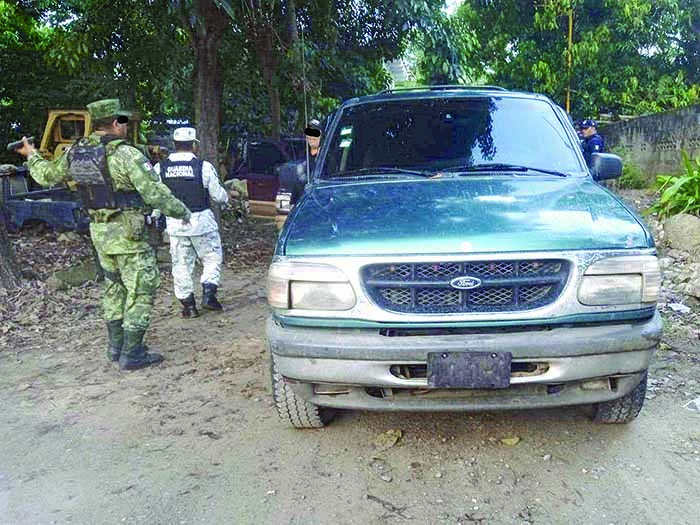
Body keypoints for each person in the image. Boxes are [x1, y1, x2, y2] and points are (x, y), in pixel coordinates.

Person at [15, 99, 192, 371]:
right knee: (141, 289)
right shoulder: (127, 155)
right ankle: (132, 353)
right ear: (115, 123)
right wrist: (183, 212)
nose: (125, 126)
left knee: (114, 287)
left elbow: (47, 175)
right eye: (123, 121)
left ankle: (115, 347)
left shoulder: (77, 152)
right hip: (129, 234)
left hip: (99, 234)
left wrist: (31, 154)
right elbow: (155, 193)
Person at [154, 127, 229, 318]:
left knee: (181, 264)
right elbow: (218, 196)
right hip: (202, 222)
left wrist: (155, 216)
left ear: (174, 144)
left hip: (175, 224)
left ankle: (188, 306)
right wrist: (227, 197)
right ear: (194, 145)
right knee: (211, 257)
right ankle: (209, 295)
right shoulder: (203, 167)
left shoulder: (160, 168)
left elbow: (155, 198)